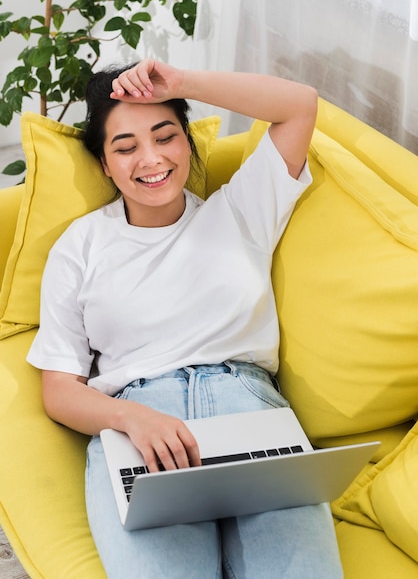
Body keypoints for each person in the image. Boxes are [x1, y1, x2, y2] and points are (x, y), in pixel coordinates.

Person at [27, 59, 343, 578]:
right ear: (106, 165)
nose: (149, 160)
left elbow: (299, 104)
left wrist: (182, 84)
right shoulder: (79, 246)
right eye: (125, 147)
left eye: (164, 136)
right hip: (140, 424)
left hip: (250, 410)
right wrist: (130, 418)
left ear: (187, 142)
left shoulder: (240, 210)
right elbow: (60, 389)